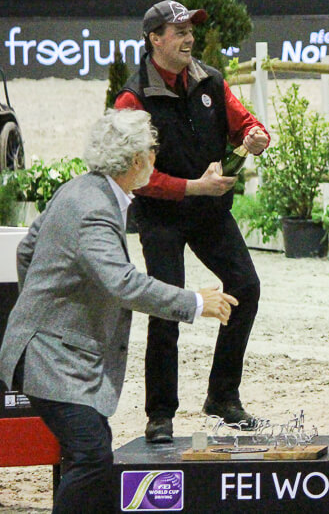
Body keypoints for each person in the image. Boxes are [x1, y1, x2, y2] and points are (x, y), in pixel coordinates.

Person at [0, 109, 236, 514]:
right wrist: (196, 302)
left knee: (92, 451)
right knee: (92, 456)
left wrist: (43, 305)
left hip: (48, 349)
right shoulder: (94, 208)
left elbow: (27, 250)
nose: (156, 155)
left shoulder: (79, 189)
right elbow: (123, 283)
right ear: (136, 160)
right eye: (152, 149)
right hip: (49, 358)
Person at [113, 0, 270, 443]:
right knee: (167, 309)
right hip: (160, 216)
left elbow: (245, 122)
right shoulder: (132, 99)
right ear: (155, 39)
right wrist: (193, 187)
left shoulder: (210, 80)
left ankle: (222, 396)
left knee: (246, 287)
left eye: (190, 30)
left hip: (209, 212)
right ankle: (160, 414)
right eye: (179, 31)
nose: (189, 38)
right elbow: (134, 175)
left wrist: (254, 135)